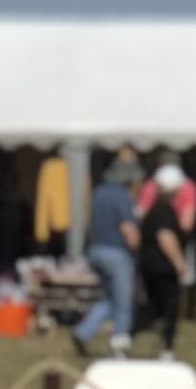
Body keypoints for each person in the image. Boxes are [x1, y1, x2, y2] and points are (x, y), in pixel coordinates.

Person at [78, 148, 140, 356]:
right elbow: (128, 229)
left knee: (110, 299)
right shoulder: (121, 196)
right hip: (117, 253)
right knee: (123, 303)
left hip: (95, 250)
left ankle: (83, 331)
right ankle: (118, 343)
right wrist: (140, 249)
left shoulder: (98, 192)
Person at [136, 159, 196, 355]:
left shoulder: (152, 211)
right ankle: (167, 348)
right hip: (163, 267)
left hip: (148, 265)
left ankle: (127, 336)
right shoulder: (166, 212)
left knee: (152, 306)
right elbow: (166, 237)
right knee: (169, 307)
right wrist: (179, 262)